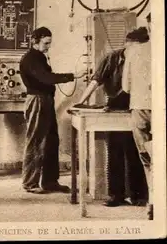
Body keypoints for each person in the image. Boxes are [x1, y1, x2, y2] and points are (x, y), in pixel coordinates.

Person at [76, 36, 148, 207]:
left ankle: (138, 196)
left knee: (136, 153)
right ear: (126, 45)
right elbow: (96, 80)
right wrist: (82, 101)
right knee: (114, 153)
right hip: (115, 109)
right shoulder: (111, 58)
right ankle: (116, 195)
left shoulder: (143, 58)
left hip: (136, 109)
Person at [19, 26, 86, 194]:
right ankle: (30, 183)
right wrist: (73, 76)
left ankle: (50, 182)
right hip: (37, 101)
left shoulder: (40, 57)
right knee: (36, 142)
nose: (48, 47)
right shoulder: (30, 59)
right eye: (46, 43)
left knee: (51, 141)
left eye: (49, 43)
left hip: (46, 100)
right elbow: (46, 78)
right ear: (35, 41)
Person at [122, 25, 153, 220]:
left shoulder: (133, 53)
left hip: (140, 107)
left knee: (147, 159)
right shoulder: (157, 47)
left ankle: (153, 203)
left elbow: (126, 87)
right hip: (159, 107)